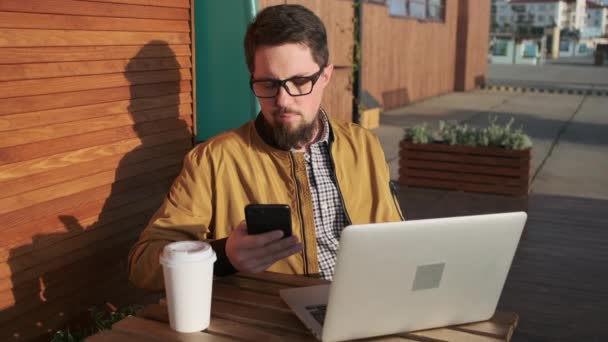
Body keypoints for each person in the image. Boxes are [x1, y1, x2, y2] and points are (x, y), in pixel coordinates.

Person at [128, 4, 404, 291]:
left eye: (299, 82)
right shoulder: (213, 160)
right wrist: (223, 256)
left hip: (366, 300)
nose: (283, 100)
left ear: (325, 76)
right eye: (268, 84)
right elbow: (143, 263)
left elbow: (397, 240)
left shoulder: (364, 145)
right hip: (270, 315)